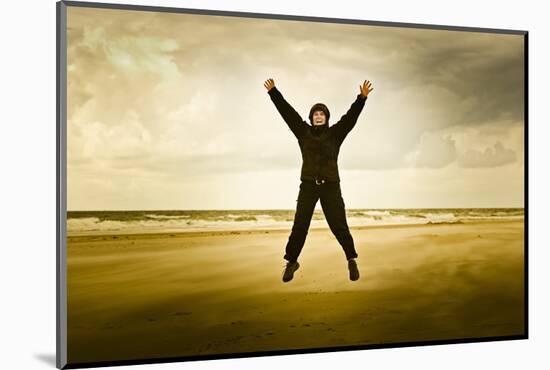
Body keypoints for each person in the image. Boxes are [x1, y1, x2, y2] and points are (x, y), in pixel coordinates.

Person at [264, 78, 374, 283]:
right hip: (307, 186)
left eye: (322, 114)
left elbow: (350, 119)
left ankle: (351, 259)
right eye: (315, 114)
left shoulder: (335, 134)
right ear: (311, 118)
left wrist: (361, 99)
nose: (318, 116)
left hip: (331, 186)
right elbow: (288, 114)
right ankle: (291, 262)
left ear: (327, 118)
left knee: (338, 224)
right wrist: (274, 93)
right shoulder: (303, 133)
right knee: (300, 225)